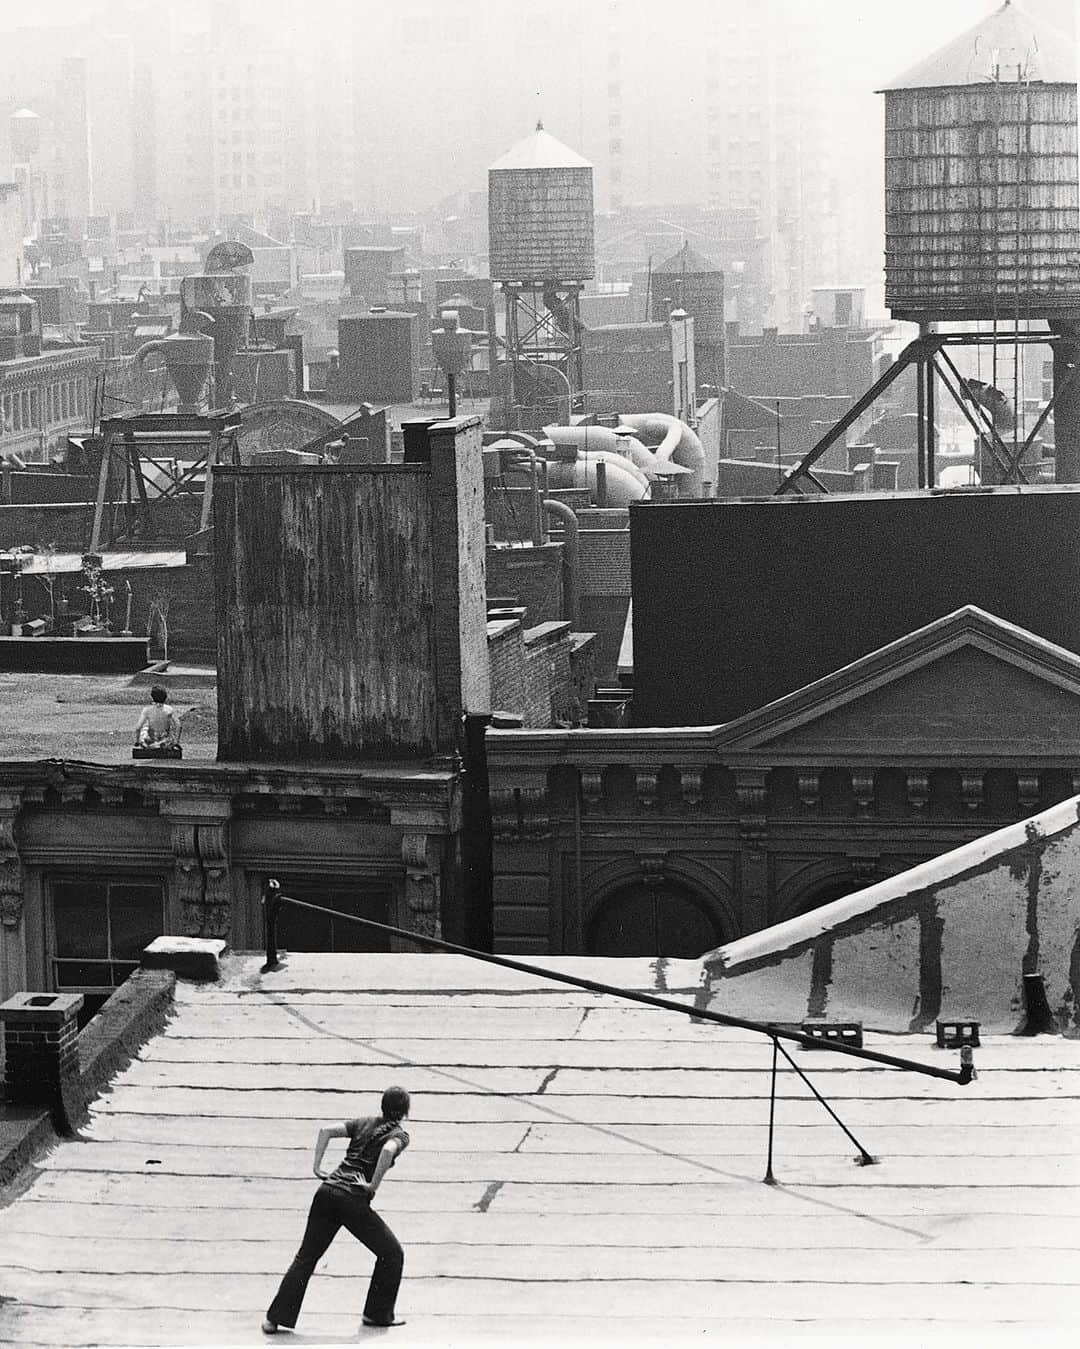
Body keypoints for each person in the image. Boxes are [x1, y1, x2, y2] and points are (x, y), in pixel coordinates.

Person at [263, 1086, 411, 1334]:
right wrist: (373, 1184)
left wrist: (317, 1166)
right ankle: (377, 1314)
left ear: (382, 1106)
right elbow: (388, 1150)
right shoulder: (400, 1134)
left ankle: (273, 1319)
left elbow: (326, 1130)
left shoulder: (364, 1122)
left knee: (306, 1257)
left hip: (326, 1191)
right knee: (392, 1254)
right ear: (405, 1111)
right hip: (351, 1199)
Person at [133, 685, 181, 750]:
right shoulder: (169, 709)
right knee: (170, 733)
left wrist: (137, 742)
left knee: (145, 728)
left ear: (152, 697)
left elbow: (138, 727)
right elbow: (178, 725)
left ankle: (148, 744)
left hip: (150, 741)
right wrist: (176, 742)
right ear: (165, 697)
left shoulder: (147, 710)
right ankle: (164, 744)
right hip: (165, 741)